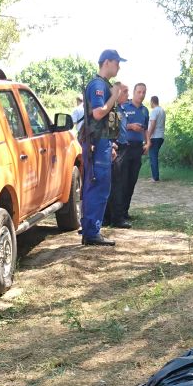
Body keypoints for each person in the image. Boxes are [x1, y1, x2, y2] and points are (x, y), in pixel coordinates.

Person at [79, 50, 127, 246]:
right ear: (107, 62)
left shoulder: (103, 85)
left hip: (103, 141)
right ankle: (91, 232)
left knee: (99, 185)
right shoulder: (98, 85)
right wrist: (114, 96)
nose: (119, 67)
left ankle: (91, 229)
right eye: (117, 63)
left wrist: (112, 142)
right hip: (97, 143)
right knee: (98, 186)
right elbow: (98, 113)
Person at [106, 80, 148, 228]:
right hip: (118, 150)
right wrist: (112, 145)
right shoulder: (114, 110)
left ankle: (117, 216)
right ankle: (114, 218)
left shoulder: (120, 109)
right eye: (125, 92)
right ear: (116, 93)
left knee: (121, 183)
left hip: (125, 147)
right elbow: (112, 131)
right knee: (117, 184)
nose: (128, 94)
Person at [146, 94, 166, 181]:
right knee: (154, 156)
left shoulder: (154, 111)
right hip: (161, 136)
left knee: (153, 156)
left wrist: (148, 136)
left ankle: (155, 177)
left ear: (152, 102)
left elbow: (153, 124)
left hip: (155, 136)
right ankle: (155, 176)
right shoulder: (162, 111)